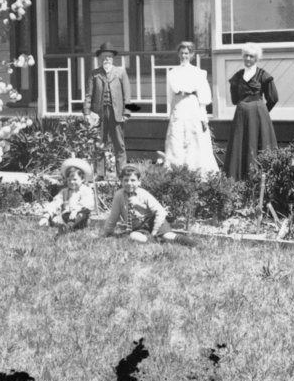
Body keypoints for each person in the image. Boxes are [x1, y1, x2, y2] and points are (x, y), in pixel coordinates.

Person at [101, 165, 196, 246]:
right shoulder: (119, 195)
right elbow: (113, 216)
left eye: (133, 180)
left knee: (168, 236)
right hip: (138, 227)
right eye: (126, 180)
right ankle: (154, 241)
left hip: (153, 222)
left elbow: (160, 212)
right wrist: (107, 233)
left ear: (139, 182)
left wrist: (154, 231)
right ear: (121, 182)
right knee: (134, 237)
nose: (129, 183)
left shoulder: (143, 194)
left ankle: (195, 244)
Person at [162, 41, 219, 175]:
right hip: (178, 107)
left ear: (192, 54)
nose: (184, 56)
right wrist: (169, 113)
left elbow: (204, 97)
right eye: (181, 53)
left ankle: (196, 172)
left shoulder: (198, 73)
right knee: (176, 138)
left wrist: (203, 117)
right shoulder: (172, 73)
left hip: (192, 105)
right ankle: (176, 171)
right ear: (178, 54)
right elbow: (170, 96)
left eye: (187, 53)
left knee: (194, 138)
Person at [224, 42, 278, 180]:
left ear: (256, 58)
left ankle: (260, 178)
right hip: (241, 115)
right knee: (240, 144)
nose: (248, 59)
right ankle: (239, 178)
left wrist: (263, 112)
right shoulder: (237, 77)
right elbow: (234, 99)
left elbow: (273, 98)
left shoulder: (263, 75)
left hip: (259, 114)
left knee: (260, 143)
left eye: (251, 56)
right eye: (246, 56)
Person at [83, 42, 132, 170]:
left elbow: (127, 94)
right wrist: (87, 113)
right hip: (98, 113)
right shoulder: (95, 74)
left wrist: (126, 112)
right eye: (104, 57)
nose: (106, 59)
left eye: (109, 57)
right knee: (99, 142)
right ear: (100, 58)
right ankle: (100, 173)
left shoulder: (120, 72)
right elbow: (88, 94)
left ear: (113, 58)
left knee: (119, 144)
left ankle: (121, 172)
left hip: (116, 113)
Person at [38, 157, 95, 233]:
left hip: (80, 218)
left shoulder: (86, 190)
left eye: (74, 179)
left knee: (82, 214)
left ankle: (69, 226)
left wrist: (75, 210)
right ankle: (51, 223)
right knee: (54, 218)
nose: (71, 182)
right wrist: (46, 215)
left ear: (82, 179)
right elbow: (56, 202)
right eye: (69, 180)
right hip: (66, 217)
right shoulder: (65, 191)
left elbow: (87, 204)